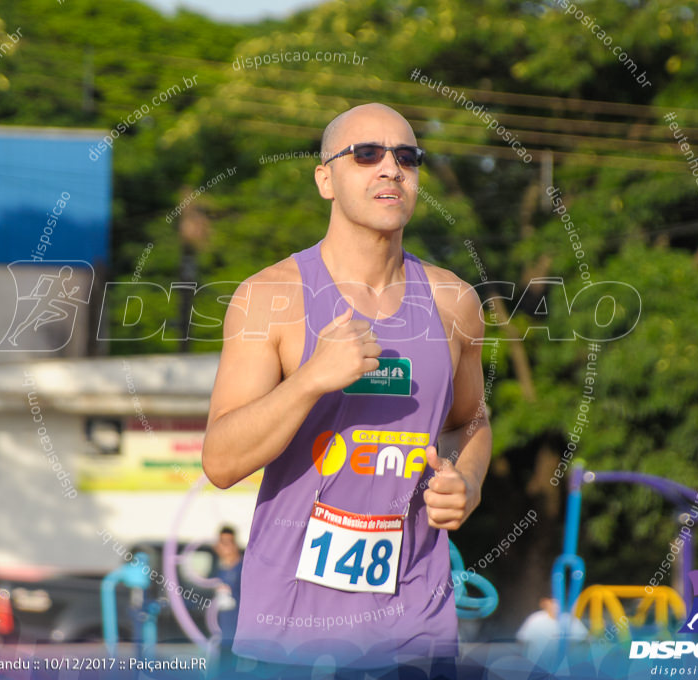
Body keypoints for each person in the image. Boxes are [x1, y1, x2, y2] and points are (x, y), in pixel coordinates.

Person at [202, 103, 492, 675]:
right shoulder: (270, 297)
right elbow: (220, 460)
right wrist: (311, 379)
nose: (390, 169)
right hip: (289, 634)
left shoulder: (453, 300)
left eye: (406, 158)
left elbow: (471, 422)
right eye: (366, 155)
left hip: (417, 625)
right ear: (324, 178)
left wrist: (470, 481)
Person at [516, 596, 588, 663]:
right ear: (545, 603)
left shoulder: (570, 620)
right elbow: (522, 639)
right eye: (553, 602)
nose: (556, 606)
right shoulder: (535, 619)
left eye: (558, 603)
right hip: (538, 666)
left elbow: (585, 640)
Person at [213, 526, 243, 672]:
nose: (223, 547)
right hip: (225, 637)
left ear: (234, 544)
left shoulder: (242, 568)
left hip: (238, 637)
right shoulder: (221, 569)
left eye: (227, 542)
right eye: (221, 542)